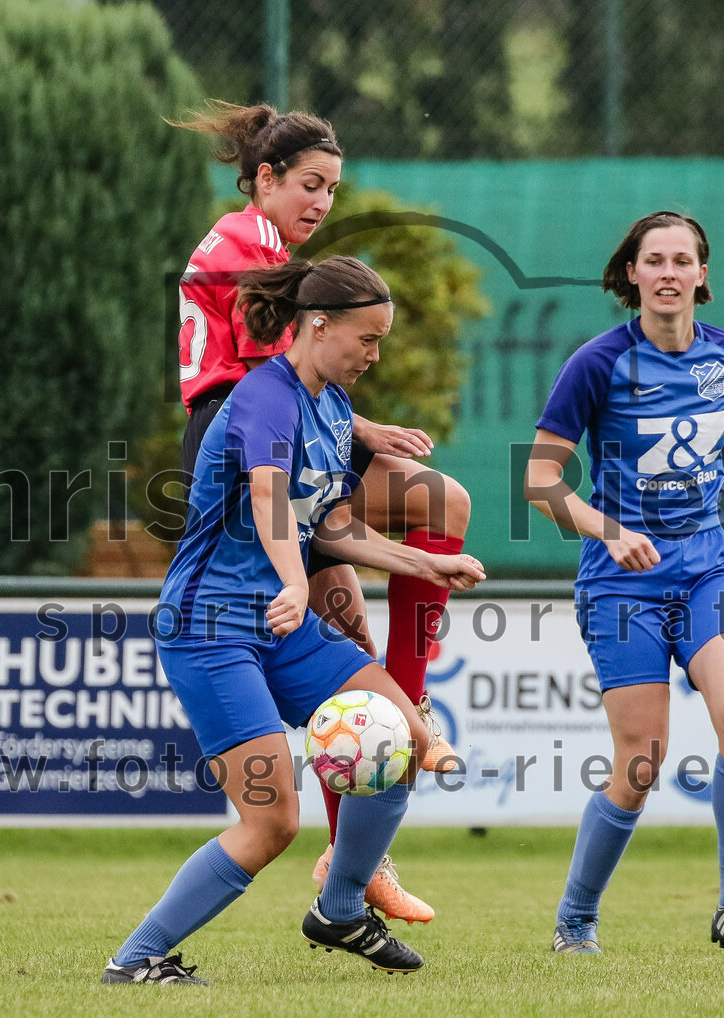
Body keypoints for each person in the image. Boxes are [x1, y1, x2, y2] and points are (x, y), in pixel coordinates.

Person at [102, 256, 485, 985]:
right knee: (272, 822)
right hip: (212, 626)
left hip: (279, 622)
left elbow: (331, 525)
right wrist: (293, 582)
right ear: (318, 325)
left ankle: (339, 909)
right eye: (367, 339)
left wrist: (423, 562)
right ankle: (135, 959)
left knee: (402, 734)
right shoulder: (265, 395)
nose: (374, 356)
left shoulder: (334, 408)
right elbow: (269, 500)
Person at [171, 100, 470, 924]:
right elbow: (277, 380)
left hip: (273, 435)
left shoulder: (264, 245)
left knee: (355, 666)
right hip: (246, 443)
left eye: (333, 189)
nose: (322, 202)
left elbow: (297, 375)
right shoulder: (246, 243)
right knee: (439, 503)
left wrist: (355, 426)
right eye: (310, 184)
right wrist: (361, 427)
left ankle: (353, 855)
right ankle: (410, 713)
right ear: (264, 179)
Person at [524, 211, 724, 956]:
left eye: (682, 260)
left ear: (702, 274)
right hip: (621, 585)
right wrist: (609, 531)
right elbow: (539, 479)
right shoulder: (598, 363)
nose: (669, 273)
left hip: (708, 569)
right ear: (632, 274)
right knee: (641, 763)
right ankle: (576, 918)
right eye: (655, 261)